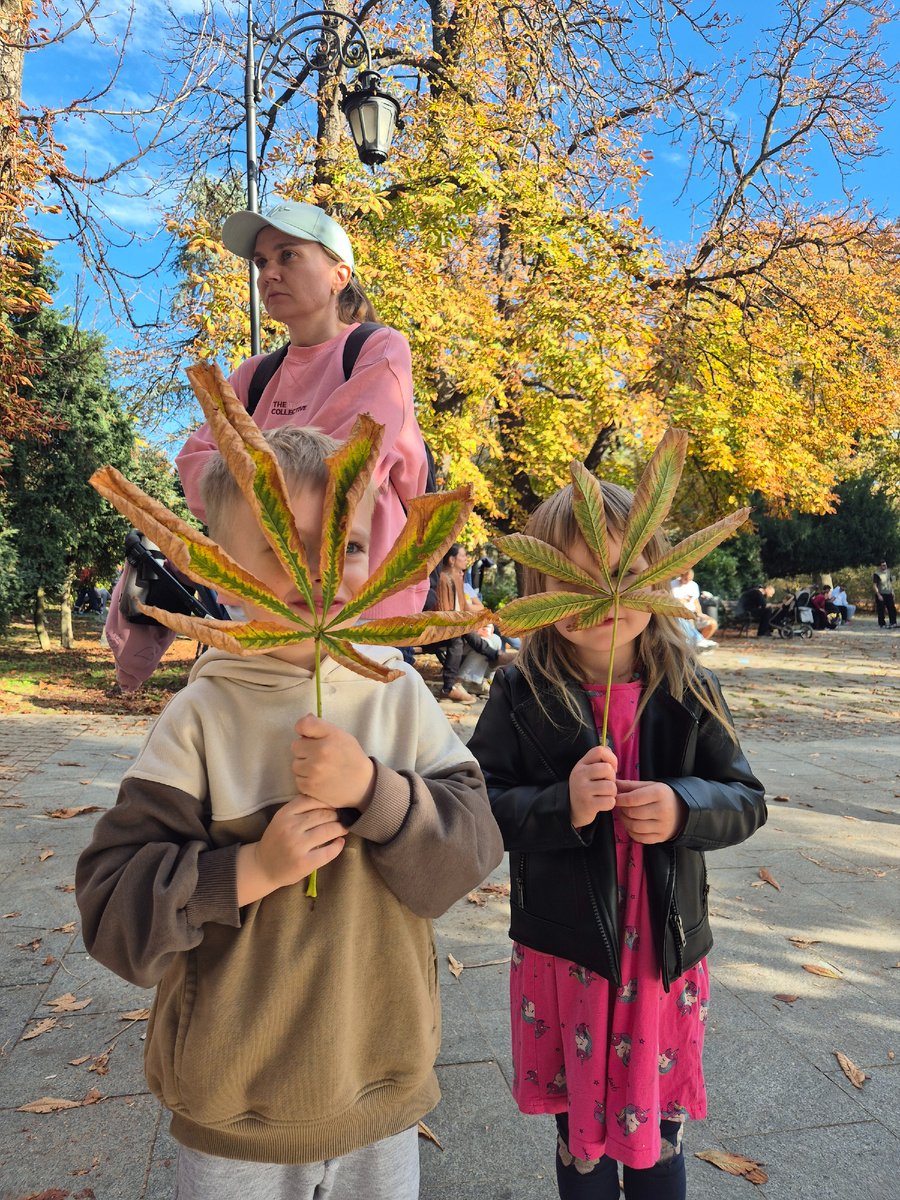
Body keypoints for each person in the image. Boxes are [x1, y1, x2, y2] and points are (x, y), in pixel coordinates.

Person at [75, 426, 504, 1199]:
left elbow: (468, 853)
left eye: (344, 550)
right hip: (234, 1106)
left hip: (379, 1086)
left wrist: (377, 791)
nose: (319, 574)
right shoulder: (199, 719)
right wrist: (247, 870)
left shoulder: (398, 696)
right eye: (284, 547)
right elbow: (112, 911)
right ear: (223, 571)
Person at [467, 479, 766, 1200]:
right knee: (580, 1143)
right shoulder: (521, 692)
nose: (598, 600)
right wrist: (559, 805)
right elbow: (479, 803)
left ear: (659, 580)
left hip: (658, 956)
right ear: (537, 592)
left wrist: (684, 805)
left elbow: (745, 799)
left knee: (657, 1137)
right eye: (569, 580)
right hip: (568, 958)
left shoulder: (690, 688)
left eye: (620, 577)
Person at [105, 199, 430, 691]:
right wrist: (256, 475)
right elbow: (196, 468)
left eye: (288, 255)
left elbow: (342, 465)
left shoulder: (379, 348)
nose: (268, 274)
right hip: (264, 604)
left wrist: (243, 472)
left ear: (340, 273)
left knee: (358, 749)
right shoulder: (253, 375)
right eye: (261, 263)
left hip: (360, 606)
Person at [433, 543, 516, 704]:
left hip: (457, 629)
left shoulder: (458, 580)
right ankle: (454, 685)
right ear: (451, 560)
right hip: (442, 631)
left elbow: (466, 611)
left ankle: (475, 683)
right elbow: (446, 616)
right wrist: (470, 627)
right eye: (463, 555)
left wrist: (477, 627)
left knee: (493, 639)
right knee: (459, 638)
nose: (466, 559)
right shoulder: (442, 579)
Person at [672, 569, 718, 641]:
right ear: (681, 575)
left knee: (712, 623)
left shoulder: (693, 585)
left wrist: (700, 614)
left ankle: (699, 643)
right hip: (681, 614)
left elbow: (696, 602)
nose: (688, 582)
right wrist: (680, 602)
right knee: (689, 625)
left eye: (690, 580)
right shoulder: (672, 585)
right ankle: (696, 643)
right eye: (686, 579)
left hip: (694, 613)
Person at [873, 560, 897, 630]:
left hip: (888, 593)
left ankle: (893, 622)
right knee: (881, 610)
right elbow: (874, 585)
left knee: (892, 608)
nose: (885, 566)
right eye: (883, 565)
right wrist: (878, 595)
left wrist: (892, 591)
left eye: (885, 565)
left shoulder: (888, 572)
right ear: (879, 566)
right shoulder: (876, 574)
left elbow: (889, 582)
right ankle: (882, 624)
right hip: (881, 594)